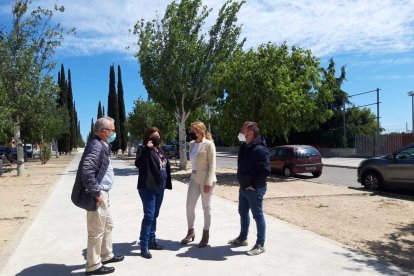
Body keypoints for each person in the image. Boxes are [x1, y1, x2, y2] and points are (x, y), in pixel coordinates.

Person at [72, 116, 124, 275]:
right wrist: (97, 194)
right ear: (103, 131)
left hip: (103, 193)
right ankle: (93, 265)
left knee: (108, 226)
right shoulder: (96, 146)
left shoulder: (102, 144)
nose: (114, 133)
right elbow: (87, 172)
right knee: (96, 230)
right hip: (98, 195)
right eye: (112, 130)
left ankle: (106, 255)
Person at [228, 121, 270, 256]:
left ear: (250, 133)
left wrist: (254, 185)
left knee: (257, 216)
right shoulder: (244, 147)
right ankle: (242, 238)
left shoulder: (260, 149)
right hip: (243, 187)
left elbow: (265, 171)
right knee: (243, 212)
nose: (241, 134)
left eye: (243, 131)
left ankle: (260, 244)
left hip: (254, 189)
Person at [135, 127, 172, 259]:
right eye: (153, 137)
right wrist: (147, 148)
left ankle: (152, 241)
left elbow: (164, 165)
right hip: (147, 187)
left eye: (158, 136)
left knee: (154, 215)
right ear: (148, 138)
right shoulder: (143, 149)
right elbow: (138, 163)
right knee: (149, 215)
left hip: (160, 187)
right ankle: (144, 245)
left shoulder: (160, 150)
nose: (156, 139)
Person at [180, 121, 217, 247]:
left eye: (193, 131)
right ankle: (191, 231)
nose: (191, 133)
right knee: (189, 206)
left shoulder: (209, 144)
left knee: (206, 207)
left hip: (207, 178)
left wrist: (208, 182)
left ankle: (206, 235)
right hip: (194, 177)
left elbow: (212, 165)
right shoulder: (191, 144)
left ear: (200, 132)